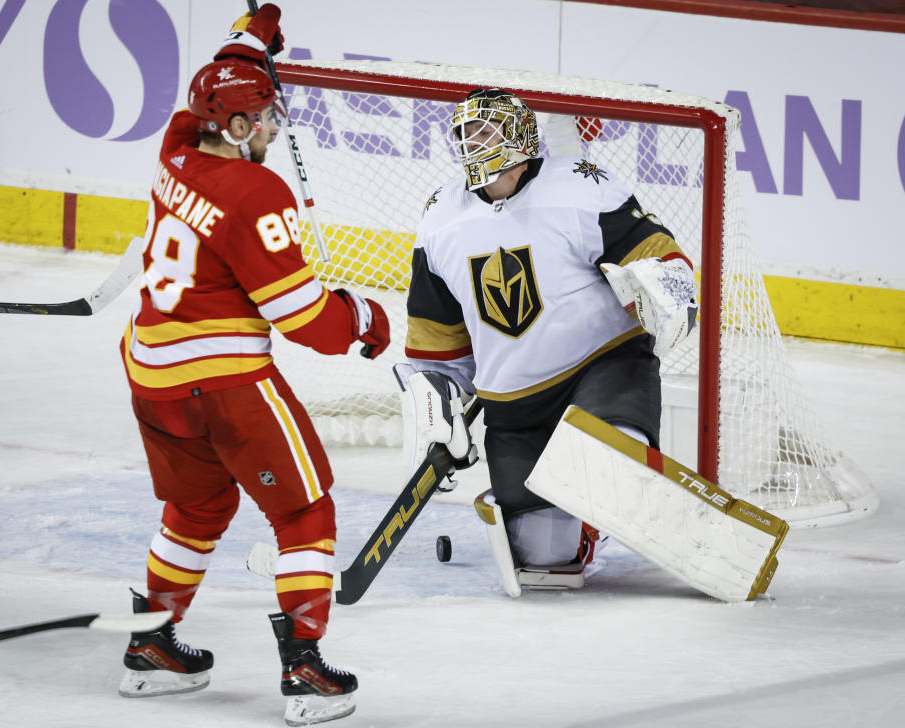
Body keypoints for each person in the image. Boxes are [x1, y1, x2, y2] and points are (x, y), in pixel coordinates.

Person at [116, 6, 386, 724]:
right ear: (233, 126)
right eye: (263, 116)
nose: (272, 127)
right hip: (225, 384)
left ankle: (152, 645)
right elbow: (306, 322)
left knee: (200, 506)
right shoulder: (255, 192)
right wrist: (365, 320)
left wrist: (251, 38)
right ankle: (304, 670)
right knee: (304, 511)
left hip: (152, 376)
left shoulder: (176, 147)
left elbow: (216, 82)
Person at [397, 88, 698, 595]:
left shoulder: (580, 187)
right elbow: (436, 342)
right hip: (515, 402)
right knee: (545, 560)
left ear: (521, 138)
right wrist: (435, 413)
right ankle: (583, 528)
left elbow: (656, 252)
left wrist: (666, 286)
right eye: (467, 133)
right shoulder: (440, 218)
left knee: (610, 457)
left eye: (487, 131)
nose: (475, 143)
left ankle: (609, 496)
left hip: (601, 366)